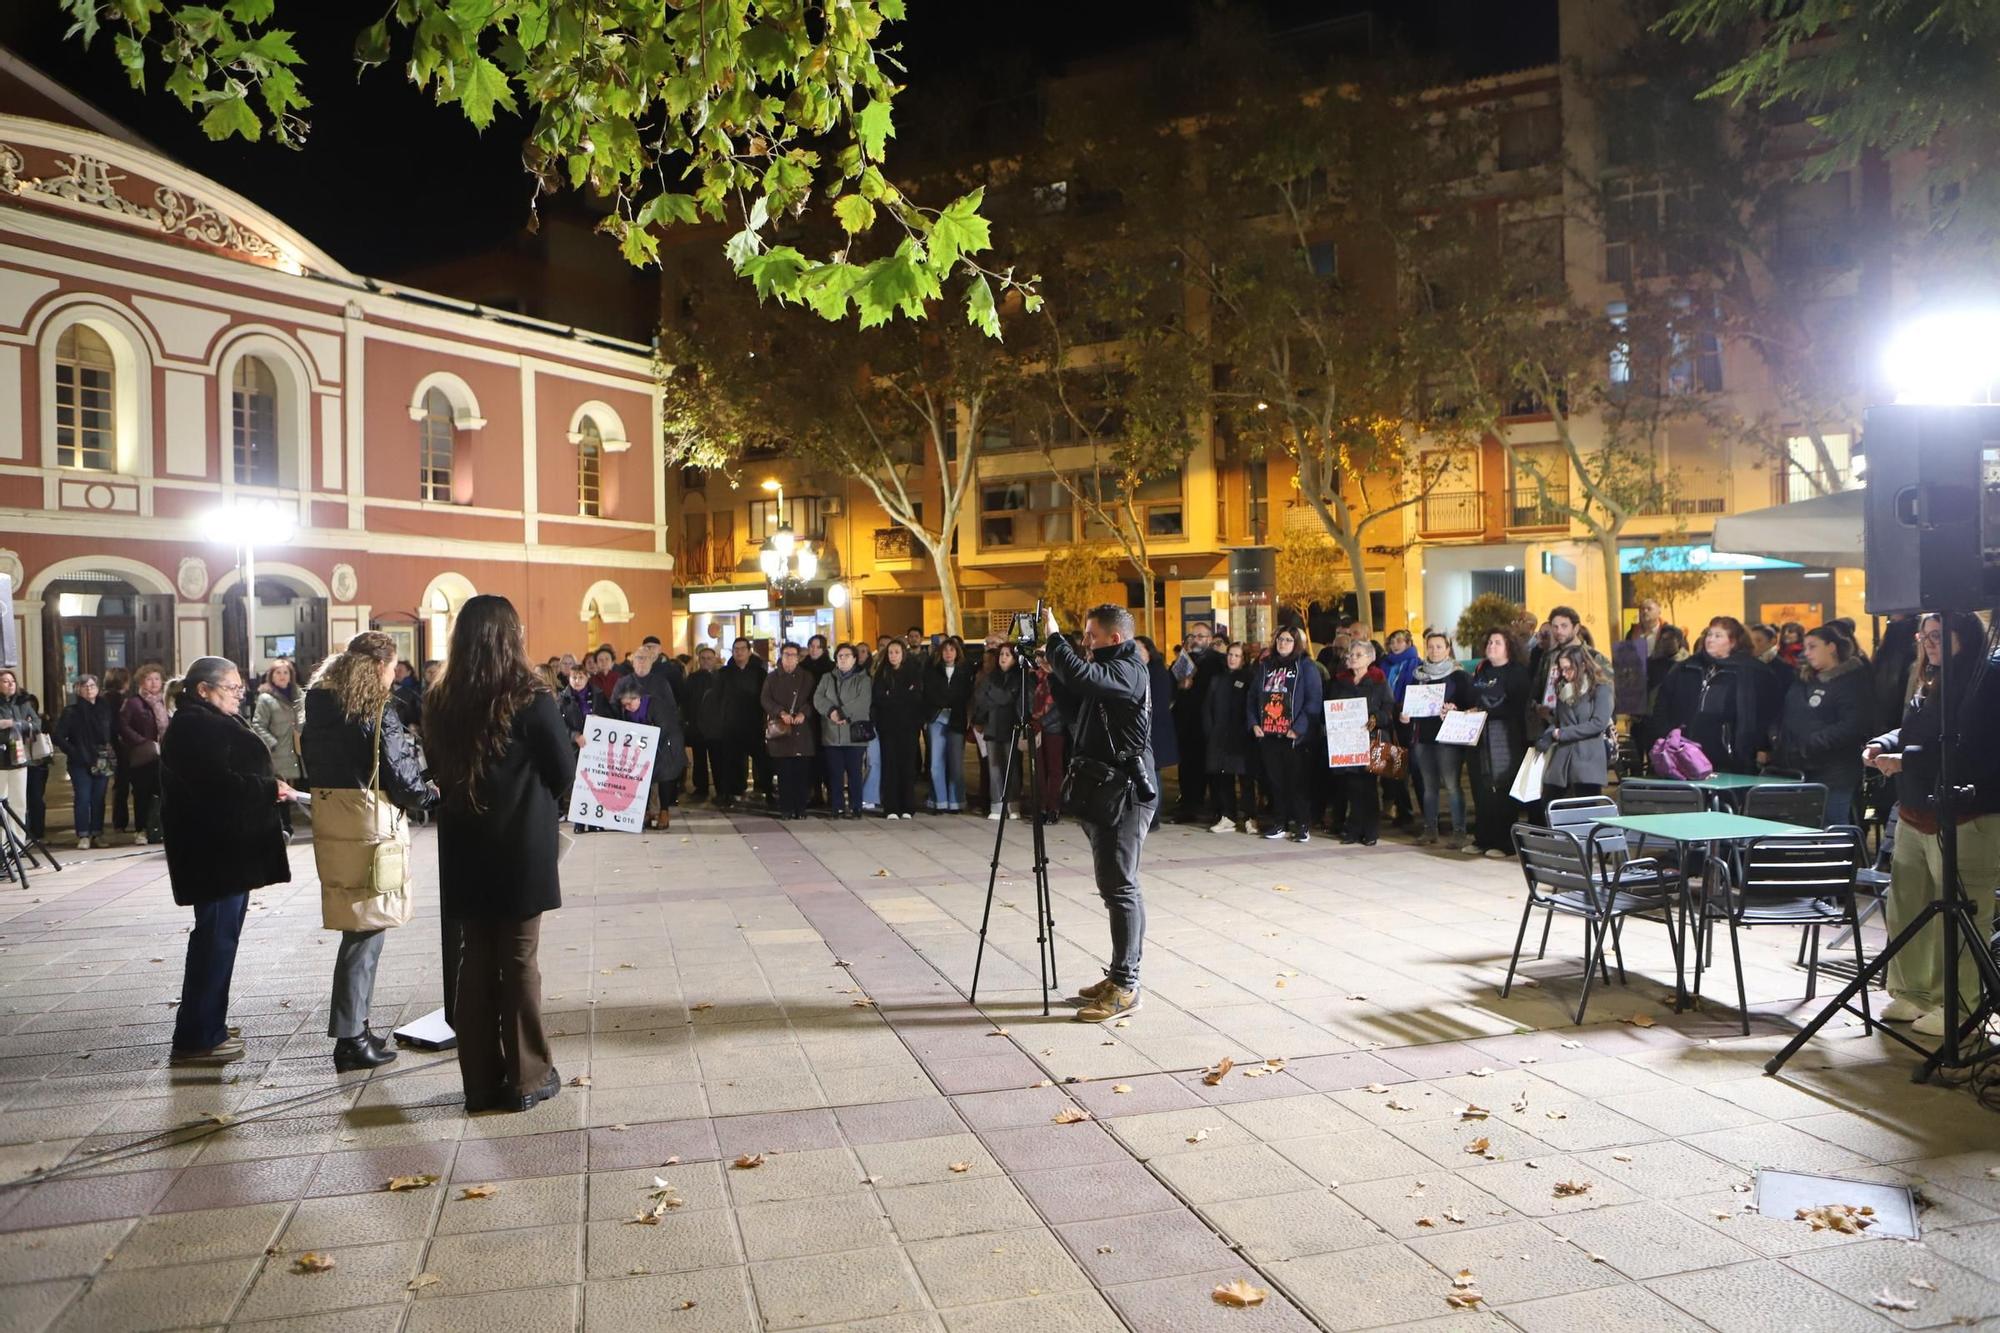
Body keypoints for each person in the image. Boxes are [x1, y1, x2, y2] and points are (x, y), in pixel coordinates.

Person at [422, 595, 574, 1113]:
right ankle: (529, 1076)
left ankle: (481, 1082)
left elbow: (435, 765)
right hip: (519, 847)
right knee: (519, 960)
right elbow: (562, 770)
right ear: (512, 636)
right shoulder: (531, 697)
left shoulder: (440, 698)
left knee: (475, 963)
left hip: (465, 846)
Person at [301, 633, 435, 1072]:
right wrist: (431, 791)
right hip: (369, 829)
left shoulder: (319, 710)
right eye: (393, 666)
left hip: (333, 825)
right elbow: (403, 780)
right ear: (379, 666)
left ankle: (356, 1026)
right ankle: (350, 1039)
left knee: (357, 928)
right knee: (365, 932)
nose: (395, 675)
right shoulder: (377, 710)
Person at [1864, 611, 1999, 1038]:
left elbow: (1975, 748)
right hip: (1914, 811)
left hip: (1965, 815)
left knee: (1961, 913)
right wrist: (1883, 744)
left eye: (1939, 635)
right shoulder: (1931, 679)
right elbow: (1912, 730)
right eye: (1925, 636)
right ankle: (1913, 992)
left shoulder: (1985, 680)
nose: (1929, 643)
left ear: (1966, 636)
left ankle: (1960, 1004)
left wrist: (1906, 759)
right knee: (1908, 904)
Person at [160, 657, 297, 1064]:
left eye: (241, 688)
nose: (240, 694)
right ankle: (197, 1036)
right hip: (212, 853)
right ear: (204, 690)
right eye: (232, 688)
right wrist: (266, 787)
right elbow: (216, 786)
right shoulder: (194, 726)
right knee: (214, 941)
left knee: (220, 941)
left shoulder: (204, 720)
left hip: (225, 850)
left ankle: (209, 1024)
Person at [1041, 604, 1154, 1023]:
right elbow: (1076, 708)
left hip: (1124, 794)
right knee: (1113, 885)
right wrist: (1055, 669)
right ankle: (1119, 976)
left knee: (1120, 886)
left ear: (1114, 639)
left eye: (1090, 636)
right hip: (1103, 790)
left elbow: (1086, 677)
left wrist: (1056, 640)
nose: (1084, 642)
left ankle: (1126, 986)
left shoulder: (1129, 669)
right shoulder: (1108, 671)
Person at [1774, 624, 1872, 827]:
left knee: (1833, 822)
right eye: (1805, 647)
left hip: (1835, 771)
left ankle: (1845, 857)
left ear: (1831, 647)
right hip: (1801, 766)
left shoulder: (1851, 681)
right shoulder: (1803, 680)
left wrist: (1813, 742)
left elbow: (1853, 725)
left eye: (1813, 646)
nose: (1806, 653)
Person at [1654, 616, 1764, 773]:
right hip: (1684, 751)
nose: (1710, 640)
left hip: (1728, 757)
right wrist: (1667, 734)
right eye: (1709, 635)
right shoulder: (1686, 668)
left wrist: (1759, 746)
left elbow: (1762, 713)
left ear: (1733, 642)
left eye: (1718, 636)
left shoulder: (1750, 672)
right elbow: (1662, 704)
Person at [1249, 625, 1324, 844]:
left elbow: (1313, 700)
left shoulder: (1306, 666)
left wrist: (1298, 728)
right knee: (1275, 781)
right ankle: (1279, 822)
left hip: (1295, 737)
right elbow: (1253, 697)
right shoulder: (1265, 667)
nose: (1283, 643)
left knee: (1297, 782)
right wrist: (1254, 723)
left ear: (1296, 643)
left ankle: (1301, 824)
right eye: (1280, 639)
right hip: (1269, 734)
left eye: (1288, 640)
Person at [1406, 631, 1473, 846]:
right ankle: (1429, 830)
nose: (1434, 651)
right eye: (1430, 646)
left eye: (1439, 646)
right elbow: (1409, 703)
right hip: (1423, 738)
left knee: (1452, 785)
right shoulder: (1418, 676)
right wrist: (1405, 714)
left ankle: (1459, 831)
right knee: (1429, 786)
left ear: (1448, 649)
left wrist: (1455, 708)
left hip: (1448, 739)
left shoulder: (1458, 676)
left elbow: (1470, 704)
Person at [1467, 629, 1531, 858]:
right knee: (1481, 788)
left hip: (1505, 736)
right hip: (1480, 737)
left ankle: (1505, 842)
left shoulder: (1516, 672)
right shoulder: (1482, 670)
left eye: (1497, 642)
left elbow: (1516, 706)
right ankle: (1483, 838)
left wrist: (1486, 711)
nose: (1492, 646)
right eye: (1490, 641)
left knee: (1503, 789)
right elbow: (1473, 697)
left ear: (1508, 647)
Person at [1325, 640, 1394, 846]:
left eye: (1357, 654)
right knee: (1351, 786)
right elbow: (1330, 707)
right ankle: (1353, 829)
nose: (1352, 658)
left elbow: (1389, 710)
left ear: (1369, 658)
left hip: (1371, 740)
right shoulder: (1339, 681)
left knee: (1369, 786)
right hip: (1347, 742)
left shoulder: (1379, 681)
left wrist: (1375, 718)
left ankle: (1371, 830)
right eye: (1350, 654)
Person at [1536, 643, 1615, 802]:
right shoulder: (1563, 689)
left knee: (1585, 807)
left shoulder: (1600, 689)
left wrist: (1564, 733)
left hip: (1587, 759)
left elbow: (1598, 723)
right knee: (1550, 804)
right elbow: (1558, 720)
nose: (1564, 674)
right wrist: (1547, 736)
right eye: (1561, 669)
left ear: (1583, 665)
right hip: (1562, 759)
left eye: (1568, 668)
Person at [1170, 621, 1225, 822]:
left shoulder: (1218, 661)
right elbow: (1172, 685)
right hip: (1187, 722)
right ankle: (1189, 806)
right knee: (1188, 768)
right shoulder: (1184, 660)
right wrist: (1180, 685)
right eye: (1193, 636)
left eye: (1201, 636)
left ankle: (1217, 809)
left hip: (1208, 722)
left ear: (1210, 640)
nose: (1196, 640)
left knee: (1211, 769)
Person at [55, 674, 116, 849]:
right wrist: (73, 752)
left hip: (101, 758)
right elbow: (58, 736)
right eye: (84, 686)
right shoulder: (71, 712)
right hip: (79, 760)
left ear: (98, 689)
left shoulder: (104, 709)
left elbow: (110, 732)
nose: (89, 689)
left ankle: (97, 832)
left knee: (99, 797)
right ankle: (83, 834)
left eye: (92, 686)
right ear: (78, 690)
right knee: (83, 797)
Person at [970, 642, 1028, 821]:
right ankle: (997, 804)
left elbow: (1012, 699)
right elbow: (980, 699)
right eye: (1001, 654)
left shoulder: (1019, 677)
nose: (1003, 657)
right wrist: (997, 699)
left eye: (1007, 655)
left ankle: (1013, 804)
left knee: (1012, 767)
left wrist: (994, 697)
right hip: (992, 727)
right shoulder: (990, 677)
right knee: (994, 767)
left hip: (1011, 727)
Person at [815, 643, 873, 818]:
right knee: (835, 774)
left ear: (854, 659)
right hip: (832, 734)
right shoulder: (827, 678)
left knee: (855, 773)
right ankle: (837, 807)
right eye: (840, 656)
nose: (843, 659)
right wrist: (830, 712)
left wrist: (841, 714)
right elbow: (818, 698)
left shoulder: (863, 679)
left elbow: (863, 702)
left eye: (847, 655)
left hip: (854, 734)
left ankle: (856, 807)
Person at [762, 642, 818, 819]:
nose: (789, 658)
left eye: (793, 655)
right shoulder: (772, 677)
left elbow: (813, 699)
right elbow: (765, 699)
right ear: (781, 655)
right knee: (784, 774)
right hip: (782, 730)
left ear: (798, 658)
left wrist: (804, 713)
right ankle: (786, 808)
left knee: (801, 774)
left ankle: (800, 808)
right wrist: (780, 712)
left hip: (801, 731)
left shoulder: (806, 677)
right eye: (786, 654)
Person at [248, 659, 304, 835]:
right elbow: (257, 725)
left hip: (298, 750)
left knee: (303, 789)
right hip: (279, 752)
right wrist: (272, 743)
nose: (282, 676)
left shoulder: (299, 695)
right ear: (271, 676)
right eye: (278, 673)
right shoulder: (266, 698)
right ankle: (284, 827)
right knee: (281, 791)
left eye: (286, 672)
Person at [711, 638, 768, 811]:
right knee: (730, 761)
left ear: (749, 651)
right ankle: (729, 793)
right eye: (736, 649)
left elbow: (765, 697)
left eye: (742, 649)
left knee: (762, 760)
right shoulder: (724, 673)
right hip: (731, 724)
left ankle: (768, 791)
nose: (739, 652)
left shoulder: (759, 672)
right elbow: (717, 698)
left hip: (754, 723)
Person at [1204, 642, 1256, 832]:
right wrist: (1210, 731)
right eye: (1230, 655)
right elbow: (1208, 707)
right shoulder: (1218, 679)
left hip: (1242, 736)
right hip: (1220, 736)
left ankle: (1250, 816)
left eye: (1236, 655)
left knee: (1245, 778)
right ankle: (1228, 815)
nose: (1232, 659)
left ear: (1244, 659)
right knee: (1223, 776)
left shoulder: (1249, 678)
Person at [873, 640, 924, 819]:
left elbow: (916, 698)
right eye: (890, 652)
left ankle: (907, 806)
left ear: (903, 654)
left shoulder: (912, 672)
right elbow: (879, 699)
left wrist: (893, 695)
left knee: (907, 766)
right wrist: (901, 695)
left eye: (896, 652)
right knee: (890, 766)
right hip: (888, 727)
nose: (893, 656)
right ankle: (891, 807)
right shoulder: (882, 674)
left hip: (908, 727)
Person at [119, 663, 170, 843]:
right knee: (142, 793)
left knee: (164, 792)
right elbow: (123, 726)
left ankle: (159, 828)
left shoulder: (167, 701)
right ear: (141, 682)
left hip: (166, 754)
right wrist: (143, 742)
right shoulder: (134, 703)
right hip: (144, 754)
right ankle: (141, 829)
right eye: (149, 679)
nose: (154, 683)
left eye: (157, 679)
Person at [923, 637, 974, 813]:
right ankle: (939, 800)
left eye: (952, 650)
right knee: (935, 762)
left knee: (955, 763)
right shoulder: (932, 670)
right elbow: (928, 693)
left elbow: (966, 695)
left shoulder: (965, 671)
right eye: (945, 650)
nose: (948, 653)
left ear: (957, 652)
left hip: (957, 719)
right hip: (936, 718)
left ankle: (956, 801)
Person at [1134, 637, 1178, 831]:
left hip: (1154, 730)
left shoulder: (1158, 672)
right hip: (1140, 729)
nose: (1135, 653)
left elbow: (1159, 704)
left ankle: (1153, 816)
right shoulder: (1136, 670)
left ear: (1149, 652)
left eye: (1139, 649)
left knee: (1152, 773)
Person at [0, 668, 43, 823]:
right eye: (5, 681)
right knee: (1, 803)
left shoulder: (23, 702)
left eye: (12, 681)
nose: (10, 684)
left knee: (19, 802)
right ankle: (3, 842)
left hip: (19, 758)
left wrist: (16, 724)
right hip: (1, 760)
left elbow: (37, 723)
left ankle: (18, 843)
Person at [681, 646, 721, 803]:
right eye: (703, 658)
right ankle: (701, 787)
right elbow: (686, 701)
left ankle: (720, 788)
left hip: (716, 726)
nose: (705, 661)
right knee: (699, 758)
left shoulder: (720, 677)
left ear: (715, 659)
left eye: (709, 658)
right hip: (697, 725)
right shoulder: (692, 678)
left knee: (717, 759)